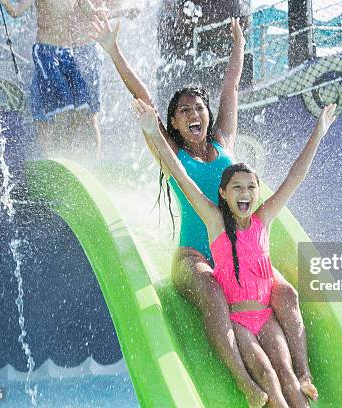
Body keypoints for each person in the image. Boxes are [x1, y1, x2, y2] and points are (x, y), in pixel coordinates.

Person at [90, 13, 317, 407]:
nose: (194, 115)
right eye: (183, 112)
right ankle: (246, 382)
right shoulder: (174, 155)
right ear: (174, 125)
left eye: (199, 108)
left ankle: (303, 373)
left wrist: (240, 46)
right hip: (194, 258)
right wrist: (114, 51)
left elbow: (230, 88)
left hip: (240, 262)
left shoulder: (225, 142)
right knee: (212, 290)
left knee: (286, 294)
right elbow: (143, 98)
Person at [135, 98, 337, 407]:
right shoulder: (215, 221)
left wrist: (318, 134)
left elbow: (295, 176)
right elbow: (181, 176)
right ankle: (247, 384)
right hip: (239, 322)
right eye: (237, 188)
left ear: (258, 191)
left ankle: (304, 375)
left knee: (287, 373)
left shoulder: (263, 219)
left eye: (250, 188)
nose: (244, 194)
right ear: (223, 194)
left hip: (266, 317)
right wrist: (153, 133)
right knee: (268, 377)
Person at [0, 0, 119, 159]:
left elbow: (93, 13)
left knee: (82, 105)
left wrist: (120, 12)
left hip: (67, 54)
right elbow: (16, 12)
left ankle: (73, 157)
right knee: (63, 107)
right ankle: (58, 157)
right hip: (46, 53)